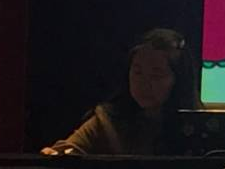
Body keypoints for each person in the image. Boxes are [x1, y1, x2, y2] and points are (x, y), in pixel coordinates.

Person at [43, 28, 200, 156]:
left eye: (156, 75)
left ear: (179, 80)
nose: (143, 83)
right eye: (137, 72)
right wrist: (55, 155)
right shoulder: (107, 121)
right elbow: (70, 149)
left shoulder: (198, 125)